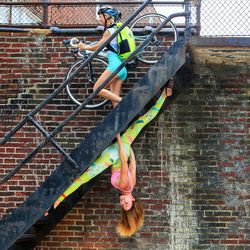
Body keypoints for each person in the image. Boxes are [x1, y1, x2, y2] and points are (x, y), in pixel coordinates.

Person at [46, 84, 173, 236]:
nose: (122, 202)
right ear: (132, 200)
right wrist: (118, 136)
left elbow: (133, 165)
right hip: (114, 154)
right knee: (82, 179)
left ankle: (164, 96)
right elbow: (126, 167)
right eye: (126, 203)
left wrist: (128, 148)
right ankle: (58, 200)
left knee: (145, 119)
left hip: (124, 148)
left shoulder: (131, 186)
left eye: (122, 205)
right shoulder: (125, 185)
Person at [76, 5, 127, 107]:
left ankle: (126, 102)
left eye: (100, 16)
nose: (99, 19)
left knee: (97, 89)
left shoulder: (108, 31)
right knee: (115, 104)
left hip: (115, 67)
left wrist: (84, 47)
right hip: (121, 68)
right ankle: (119, 122)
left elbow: (99, 46)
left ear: (107, 17)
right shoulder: (116, 30)